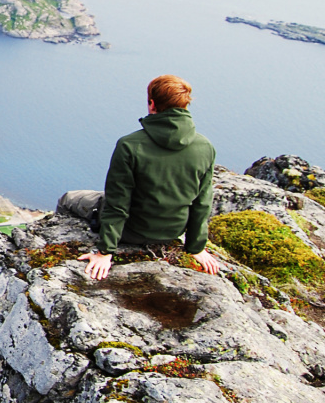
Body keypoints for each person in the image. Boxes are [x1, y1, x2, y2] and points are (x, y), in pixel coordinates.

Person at [63, 75, 220, 280]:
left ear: (152, 103)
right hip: (172, 232)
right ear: (184, 105)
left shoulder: (130, 145)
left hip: (131, 231)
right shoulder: (205, 147)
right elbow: (202, 202)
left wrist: (105, 252)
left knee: (68, 198)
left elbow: (117, 203)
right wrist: (196, 247)